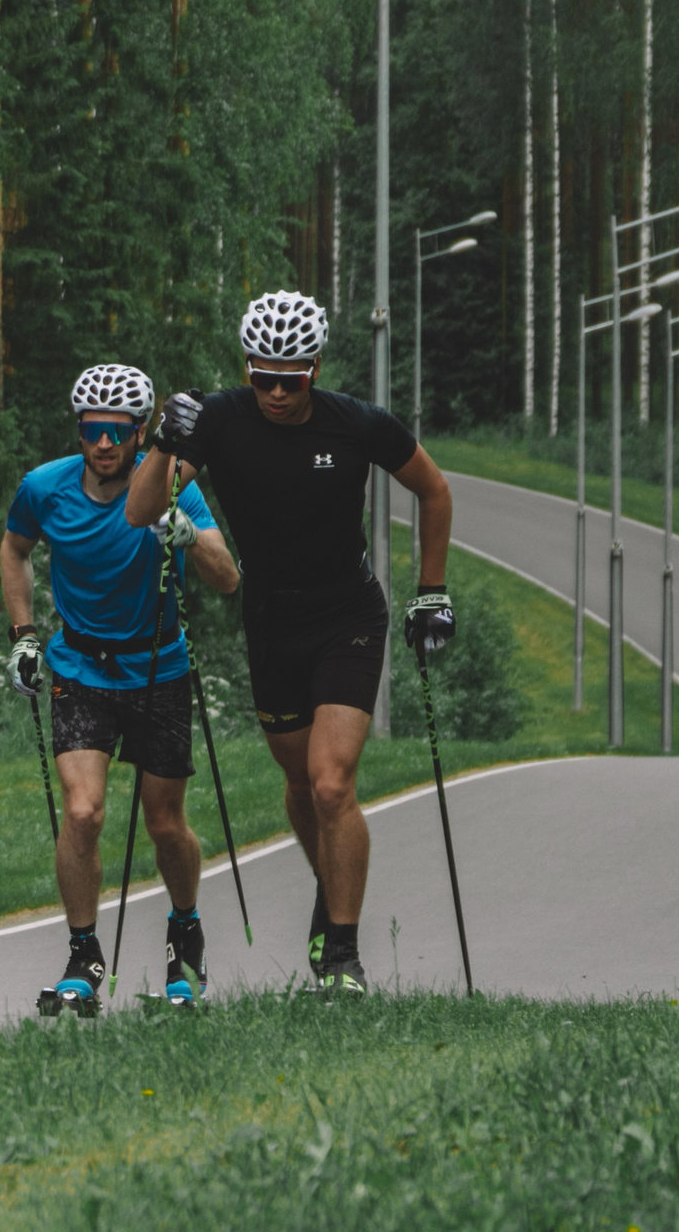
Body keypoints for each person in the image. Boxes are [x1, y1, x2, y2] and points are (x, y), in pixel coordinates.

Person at [127, 292, 456, 994]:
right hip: (272, 617)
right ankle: (328, 891)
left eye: (291, 377)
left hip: (348, 613)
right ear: (247, 367)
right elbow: (140, 510)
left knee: (333, 781)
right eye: (262, 375)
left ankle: (341, 954)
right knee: (301, 785)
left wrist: (432, 589)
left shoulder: (356, 424)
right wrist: (164, 438)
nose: (275, 391)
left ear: (314, 368)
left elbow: (435, 490)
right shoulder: (217, 419)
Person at [3, 363, 240, 1013]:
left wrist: (190, 539)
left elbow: (228, 577)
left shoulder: (170, 485)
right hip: (79, 668)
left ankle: (184, 930)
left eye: (117, 430)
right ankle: (84, 953)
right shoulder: (44, 488)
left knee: (165, 824)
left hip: (158, 667)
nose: (103, 442)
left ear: (141, 432)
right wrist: (24, 633)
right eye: (91, 428)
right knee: (82, 812)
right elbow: (14, 547)